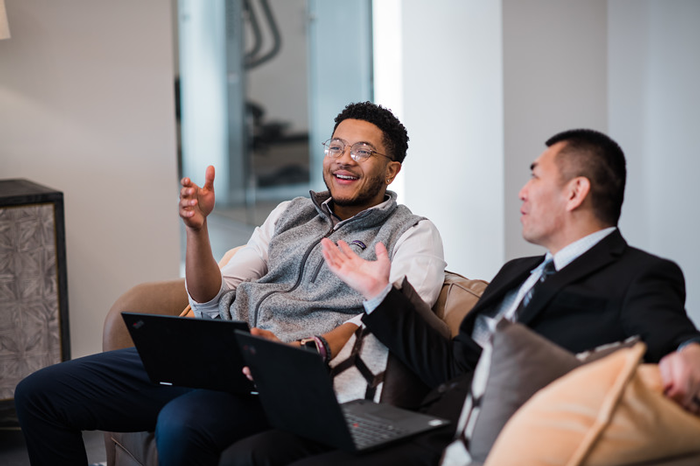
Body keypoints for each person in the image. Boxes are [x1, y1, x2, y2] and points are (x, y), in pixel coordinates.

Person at [224, 128, 700, 466]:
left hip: (491, 437)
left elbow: (665, 324)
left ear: (575, 191)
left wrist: (686, 350)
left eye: (536, 176)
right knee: (251, 452)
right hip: (424, 419)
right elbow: (448, 366)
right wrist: (377, 294)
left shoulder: (636, 273)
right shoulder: (517, 273)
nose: (523, 191)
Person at [14, 101, 447, 466]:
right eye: (336, 146)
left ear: (392, 171)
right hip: (221, 354)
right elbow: (213, 299)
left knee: (181, 423)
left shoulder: (412, 234)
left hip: (292, 380)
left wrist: (306, 349)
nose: (343, 159)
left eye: (362, 151)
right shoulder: (289, 213)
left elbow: (395, 321)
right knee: (40, 394)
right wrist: (198, 232)